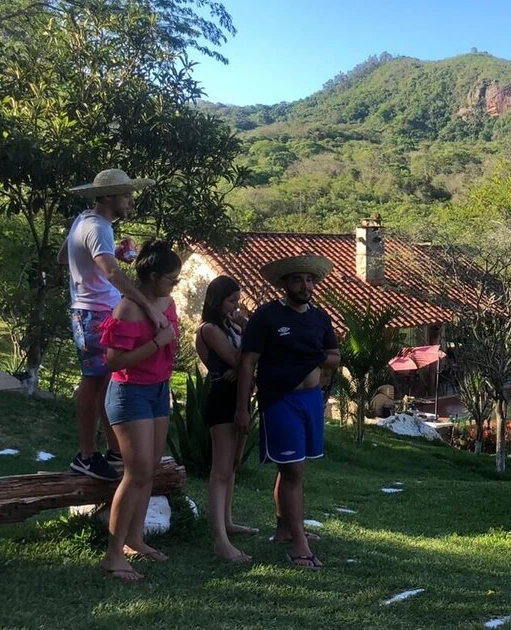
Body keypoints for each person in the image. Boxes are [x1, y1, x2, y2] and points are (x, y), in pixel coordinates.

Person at [59, 169, 166, 482]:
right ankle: (86, 456)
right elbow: (113, 274)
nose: (131, 201)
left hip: (94, 311)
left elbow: (64, 257)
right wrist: (147, 305)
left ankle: (114, 449)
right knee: (94, 383)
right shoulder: (99, 227)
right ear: (108, 196)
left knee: (107, 381)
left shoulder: (84, 220)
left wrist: (108, 254)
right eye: (126, 195)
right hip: (92, 313)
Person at [237, 254, 341, 570]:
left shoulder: (320, 318)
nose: (305, 286)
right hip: (279, 400)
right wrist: (242, 408)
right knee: (293, 471)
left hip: (311, 400)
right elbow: (247, 363)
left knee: (292, 470)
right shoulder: (267, 316)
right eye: (297, 280)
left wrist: (313, 356)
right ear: (284, 284)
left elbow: (335, 356)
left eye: (309, 280)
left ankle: (284, 529)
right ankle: (300, 546)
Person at [98, 240, 181, 581]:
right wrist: (156, 343)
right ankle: (113, 554)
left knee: (149, 470)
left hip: (159, 391)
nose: (175, 285)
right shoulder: (127, 310)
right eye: (171, 279)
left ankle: (135, 539)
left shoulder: (168, 303)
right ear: (153, 276)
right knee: (136, 472)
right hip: (130, 393)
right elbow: (113, 362)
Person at [195, 275, 256, 563]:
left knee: (233, 464)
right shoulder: (209, 329)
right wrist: (248, 333)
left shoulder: (231, 326)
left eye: (237, 300)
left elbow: (249, 362)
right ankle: (220, 540)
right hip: (221, 399)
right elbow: (237, 359)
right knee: (221, 469)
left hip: (239, 395)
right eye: (231, 300)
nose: (236, 306)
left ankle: (228, 521)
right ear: (216, 301)